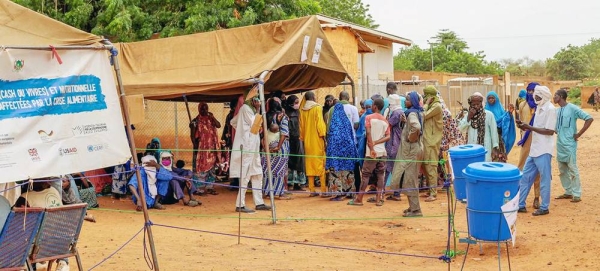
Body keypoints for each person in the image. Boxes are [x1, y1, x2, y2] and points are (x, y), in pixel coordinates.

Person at [517, 85, 557, 216]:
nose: (535, 97)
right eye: (535, 95)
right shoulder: (539, 107)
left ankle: (544, 207)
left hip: (544, 150)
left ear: (544, 96)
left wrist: (530, 127)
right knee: (525, 178)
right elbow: (536, 127)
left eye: (538, 95)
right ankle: (520, 204)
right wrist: (525, 126)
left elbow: (550, 131)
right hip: (534, 149)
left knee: (544, 179)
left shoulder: (550, 109)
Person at [15, 179, 69, 271]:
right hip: (60, 243)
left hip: (36, 247)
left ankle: (34, 265)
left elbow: (16, 226)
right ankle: (63, 262)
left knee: (16, 239)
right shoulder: (54, 191)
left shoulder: (25, 198)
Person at [230, 93, 271, 213]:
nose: (258, 101)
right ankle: (240, 205)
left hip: (253, 147)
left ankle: (259, 203)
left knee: (257, 173)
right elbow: (255, 126)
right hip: (248, 147)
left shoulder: (246, 110)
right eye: (257, 99)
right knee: (246, 175)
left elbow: (233, 122)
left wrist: (243, 130)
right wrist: (258, 110)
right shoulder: (246, 109)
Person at [553, 89, 593, 203]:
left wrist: (579, 134)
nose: (553, 98)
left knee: (572, 169)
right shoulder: (557, 110)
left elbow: (589, 118)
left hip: (570, 144)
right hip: (560, 144)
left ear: (560, 96)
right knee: (562, 170)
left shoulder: (573, 108)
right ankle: (568, 191)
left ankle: (577, 194)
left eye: (555, 95)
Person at [348, 98, 390, 206]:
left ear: (375, 106)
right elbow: (388, 136)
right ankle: (378, 199)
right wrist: (377, 142)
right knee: (380, 174)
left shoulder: (368, 117)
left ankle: (359, 199)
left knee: (366, 175)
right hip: (382, 152)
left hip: (371, 152)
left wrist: (372, 147)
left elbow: (368, 132)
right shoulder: (385, 120)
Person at [390, 92, 424, 217]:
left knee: (410, 179)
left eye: (408, 99)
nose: (406, 101)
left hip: (411, 150)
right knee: (409, 178)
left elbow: (417, 127)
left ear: (413, 101)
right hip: (413, 150)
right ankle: (412, 207)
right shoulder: (415, 112)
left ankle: (416, 210)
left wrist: (410, 138)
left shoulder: (412, 114)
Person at [325, 101, 358, 201]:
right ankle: (349, 192)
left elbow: (330, 140)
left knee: (336, 172)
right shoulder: (347, 123)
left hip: (336, 156)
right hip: (347, 154)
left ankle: (338, 194)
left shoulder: (333, 126)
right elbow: (352, 137)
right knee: (347, 171)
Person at [516, 82, 542, 209]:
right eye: (529, 91)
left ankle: (537, 197)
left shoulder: (541, 106)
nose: (531, 93)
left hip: (539, 142)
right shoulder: (523, 105)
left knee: (538, 170)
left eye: (533, 91)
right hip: (526, 142)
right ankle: (519, 197)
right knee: (522, 167)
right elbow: (521, 122)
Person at [261, 98, 291, 200]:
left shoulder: (265, 116)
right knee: (279, 170)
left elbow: (262, 133)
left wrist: (265, 147)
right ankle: (279, 193)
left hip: (267, 147)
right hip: (280, 148)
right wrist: (278, 146)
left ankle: (267, 192)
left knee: (267, 170)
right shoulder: (282, 116)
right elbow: (284, 133)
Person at [299, 91, 328, 197]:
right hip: (317, 140)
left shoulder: (302, 110)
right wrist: (324, 137)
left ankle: (312, 190)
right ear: (314, 97)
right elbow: (320, 124)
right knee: (320, 163)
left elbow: (301, 127)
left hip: (307, 141)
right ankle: (324, 190)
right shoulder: (317, 108)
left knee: (310, 163)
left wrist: (302, 138)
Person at [458, 93, 500, 162]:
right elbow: (460, 129)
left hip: (485, 147)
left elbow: (494, 132)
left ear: (481, 104)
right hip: (472, 147)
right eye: (473, 105)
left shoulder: (489, 115)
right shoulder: (468, 115)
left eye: (478, 104)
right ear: (470, 105)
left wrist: (495, 147)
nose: (476, 106)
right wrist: (469, 117)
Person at [192, 102, 221, 195]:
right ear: (199, 110)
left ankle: (210, 187)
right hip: (202, 149)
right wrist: (196, 148)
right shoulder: (195, 121)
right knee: (201, 168)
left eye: (206, 109)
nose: (204, 111)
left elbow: (218, 125)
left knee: (212, 169)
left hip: (212, 148)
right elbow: (192, 136)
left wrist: (212, 117)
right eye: (202, 109)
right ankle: (199, 189)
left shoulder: (211, 119)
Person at [421, 86, 443, 202]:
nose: (424, 98)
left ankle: (433, 193)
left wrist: (425, 105)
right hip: (427, 139)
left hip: (432, 140)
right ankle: (430, 190)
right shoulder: (432, 105)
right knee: (426, 165)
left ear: (430, 96)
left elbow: (423, 115)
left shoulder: (437, 106)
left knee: (431, 166)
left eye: (426, 95)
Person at [383, 94, 404, 201]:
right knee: (394, 168)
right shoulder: (401, 111)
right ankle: (396, 192)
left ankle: (384, 192)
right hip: (399, 143)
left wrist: (385, 116)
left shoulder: (395, 113)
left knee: (388, 168)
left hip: (393, 144)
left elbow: (388, 126)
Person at [485, 91, 516, 161]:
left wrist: (510, 114)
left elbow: (506, 122)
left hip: (499, 139)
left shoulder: (501, 111)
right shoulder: (485, 111)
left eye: (492, 98)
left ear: (496, 99)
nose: (491, 100)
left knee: (499, 159)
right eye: (489, 98)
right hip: (488, 139)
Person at [284, 95, 306, 191]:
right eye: (295, 102)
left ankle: (300, 183)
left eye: (298, 102)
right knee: (291, 161)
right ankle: (290, 183)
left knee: (300, 160)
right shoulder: (286, 113)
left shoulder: (299, 113)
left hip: (299, 139)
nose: (297, 104)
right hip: (289, 140)